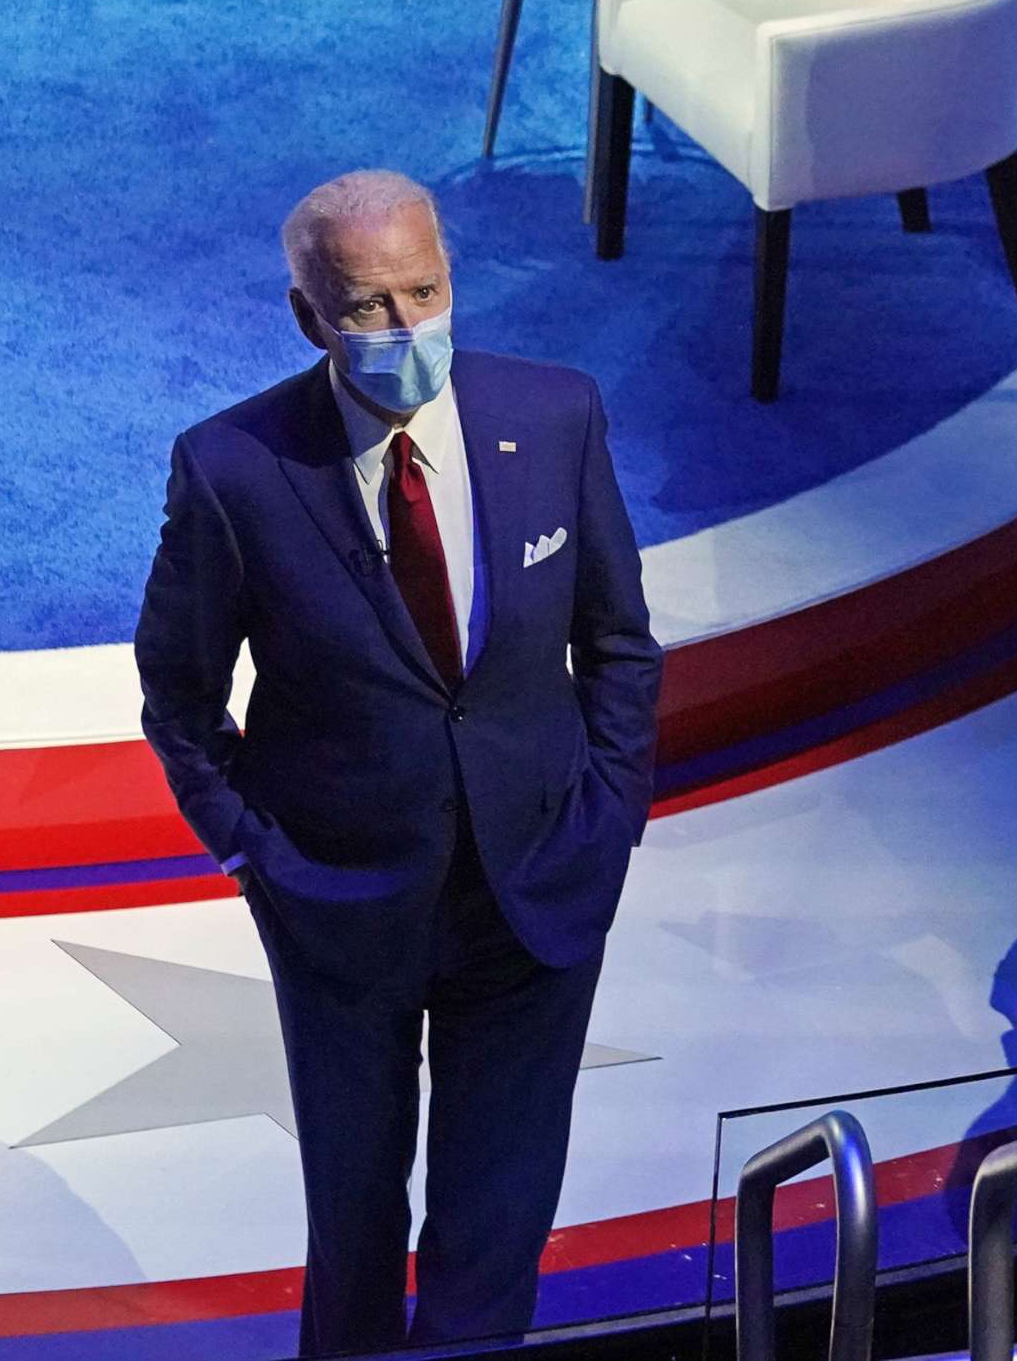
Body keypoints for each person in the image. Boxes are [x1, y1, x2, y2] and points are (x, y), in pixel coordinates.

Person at [133, 171, 661, 1355]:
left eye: (424, 291)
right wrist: (252, 850)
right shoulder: (233, 470)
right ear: (309, 316)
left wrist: (611, 811)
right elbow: (179, 690)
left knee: (498, 1231)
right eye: (368, 306)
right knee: (357, 1230)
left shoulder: (558, 413)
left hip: (537, 887)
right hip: (341, 903)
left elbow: (618, 639)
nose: (405, 328)